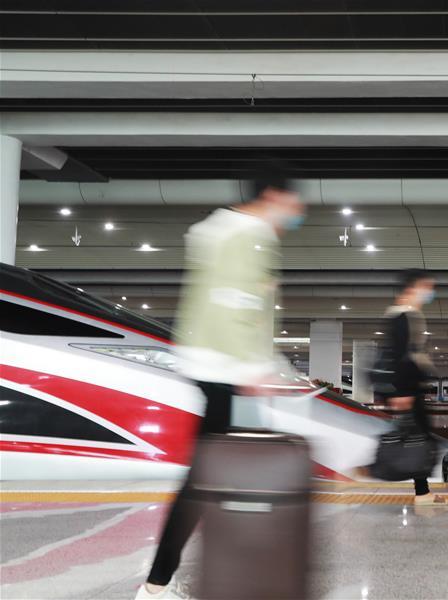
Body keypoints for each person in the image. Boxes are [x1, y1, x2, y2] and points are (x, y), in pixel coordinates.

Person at [135, 164, 305, 600]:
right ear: (272, 196)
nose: (296, 213)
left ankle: (165, 580)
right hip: (227, 370)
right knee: (210, 478)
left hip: (214, 365)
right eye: (292, 203)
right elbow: (237, 304)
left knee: (212, 476)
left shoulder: (220, 229)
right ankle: (159, 584)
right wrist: (255, 368)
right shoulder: (250, 235)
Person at [381, 268, 448, 506]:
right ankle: (374, 469)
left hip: (411, 389)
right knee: (420, 439)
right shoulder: (402, 316)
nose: (430, 292)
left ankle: (423, 492)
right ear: (412, 288)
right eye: (426, 287)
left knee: (420, 438)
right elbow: (399, 355)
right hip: (407, 391)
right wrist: (402, 392)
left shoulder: (409, 314)